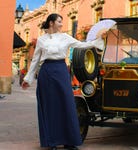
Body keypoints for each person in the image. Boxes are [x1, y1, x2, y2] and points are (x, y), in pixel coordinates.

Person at [21, 13, 104, 150]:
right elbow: (35, 61)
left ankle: (69, 141)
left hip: (61, 71)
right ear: (51, 23)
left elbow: (82, 45)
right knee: (50, 107)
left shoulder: (65, 37)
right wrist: (28, 79)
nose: (61, 24)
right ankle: (51, 141)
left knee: (67, 104)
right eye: (59, 21)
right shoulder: (41, 40)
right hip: (46, 73)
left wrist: (99, 40)